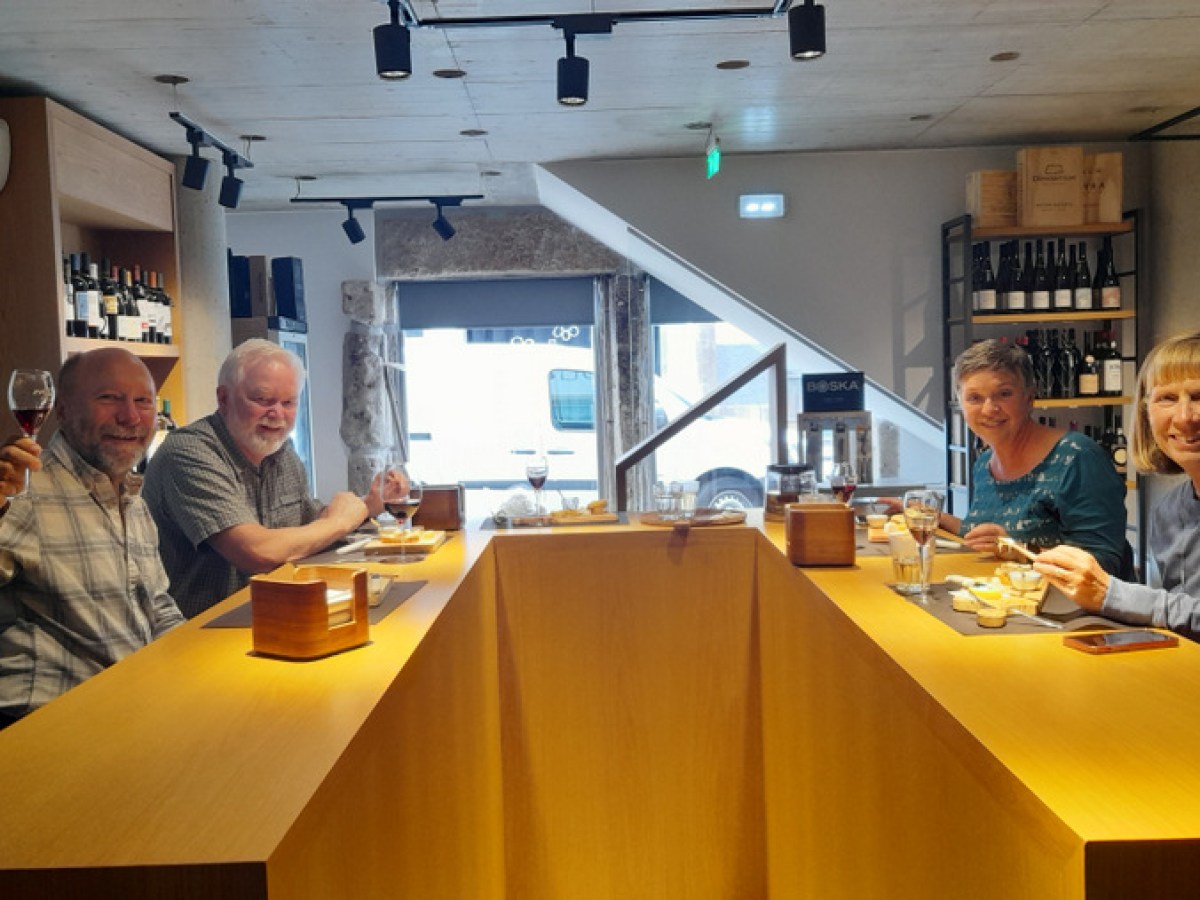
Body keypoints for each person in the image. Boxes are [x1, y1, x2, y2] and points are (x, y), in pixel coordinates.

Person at [0, 348, 185, 727]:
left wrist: (201, 665)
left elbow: (158, 607)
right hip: (52, 724)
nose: (130, 417)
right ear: (63, 411)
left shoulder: (133, 498)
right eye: (109, 398)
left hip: (136, 708)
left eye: (142, 401)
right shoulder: (23, 493)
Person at [142, 339, 383, 618]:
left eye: (288, 402)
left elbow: (309, 529)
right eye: (263, 400)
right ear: (223, 399)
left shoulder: (282, 452)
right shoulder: (189, 453)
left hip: (273, 616)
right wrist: (341, 521)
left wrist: (367, 506)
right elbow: (258, 552)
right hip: (204, 634)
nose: (277, 414)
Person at [1035, 329, 1200, 638]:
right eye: (1167, 398)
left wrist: (1111, 594)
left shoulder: (1081, 455)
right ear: (1145, 413)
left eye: (1199, 397)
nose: (1184, 417)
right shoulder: (1167, 511)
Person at [944, 339, 1129, 575]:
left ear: (1029, 397)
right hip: (1010, 604)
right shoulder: (984, 464)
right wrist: (929, 518)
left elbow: (1104, 563)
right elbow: (983, 537)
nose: (989, 409)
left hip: (1068, 609)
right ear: (961, 404)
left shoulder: (1077, 457)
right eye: (975, 398)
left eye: (1004, 394)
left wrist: (1020, 550)